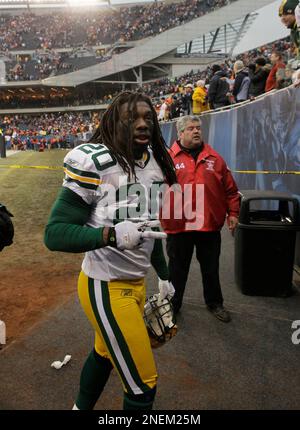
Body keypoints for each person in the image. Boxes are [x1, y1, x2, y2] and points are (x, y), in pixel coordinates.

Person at [44, 91, 177, 410]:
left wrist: (163, 274)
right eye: (133, 118)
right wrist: (109, 234)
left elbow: (149, 226)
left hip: (136, 282)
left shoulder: (155, 161)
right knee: (143, 387)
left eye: (148, 117)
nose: (143, 124)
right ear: (115, 122)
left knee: (104, 356)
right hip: (104, 284)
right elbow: (54, 233)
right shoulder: (96, 161)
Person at [161, 116, 240, 323]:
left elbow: (231, 191)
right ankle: (172, 305)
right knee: (176, 270)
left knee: (211, 268)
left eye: (198, 128)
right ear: (180, 133)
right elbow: (154, 191)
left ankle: (215, 303)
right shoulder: (166, 159)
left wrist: (233, 213)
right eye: (191, 129)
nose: (196, 131)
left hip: (209, 226)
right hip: (178, 227)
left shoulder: (215, 158)